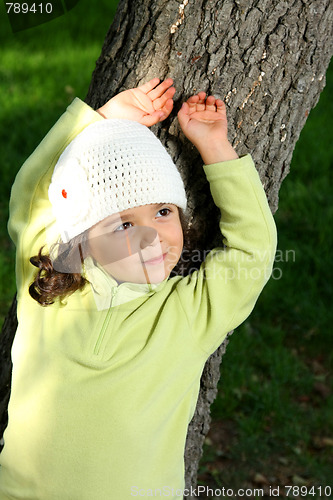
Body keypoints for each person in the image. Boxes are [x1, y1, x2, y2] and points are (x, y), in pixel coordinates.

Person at [0, 78, 277, 499]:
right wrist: (102, 122)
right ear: (83, 236)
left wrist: (216, 149)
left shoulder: (188, 311)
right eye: (124, 223)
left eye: (164, 211)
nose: (153, 236)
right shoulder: (50, 280)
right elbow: (35, 195)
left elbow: (252, 252)